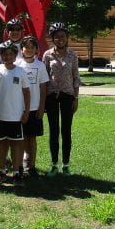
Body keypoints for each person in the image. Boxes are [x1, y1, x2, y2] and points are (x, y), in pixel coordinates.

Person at [0, 43, 30, 185]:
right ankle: (2, 171)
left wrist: (26, 111)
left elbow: (26, 92)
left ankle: (17, 173)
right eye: (5, 54)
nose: (8, 56)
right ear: (1, 55)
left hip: (16, 115)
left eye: (11, 54)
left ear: (15, 55)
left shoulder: (21, 71)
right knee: (2, 143)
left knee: (17, 144)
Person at [42, 22, 80, 176]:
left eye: (62, 36)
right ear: (53, 39)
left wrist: (76, 98)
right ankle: (54, 164)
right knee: (53, 130)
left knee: (66, 131)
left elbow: (76, 76)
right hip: (51, 96)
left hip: (68, 96)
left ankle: (65, 164)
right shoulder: (47, 55)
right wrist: (43, 99)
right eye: (56, 37)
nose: (60, 39)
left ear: (67, 37)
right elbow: (44, 78)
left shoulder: (73, 55)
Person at [16, 35, 49, 178]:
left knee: (32, 139)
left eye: (32, 47)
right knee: (22, 138)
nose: (29, 49)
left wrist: (42, 106)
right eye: (26, 47)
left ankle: (32, 166)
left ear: (36, 50)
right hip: (19, 108)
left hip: (35, 108)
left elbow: (43, 88)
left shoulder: (40, 66)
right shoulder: (17, 65)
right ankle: (21, 166)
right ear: (21, 49)